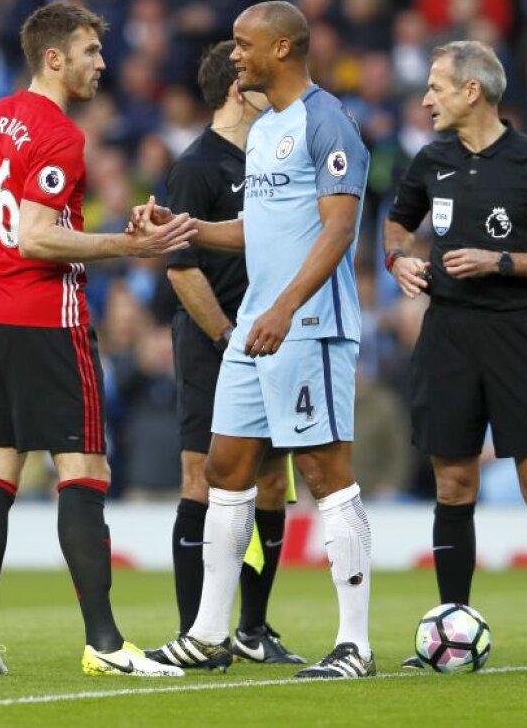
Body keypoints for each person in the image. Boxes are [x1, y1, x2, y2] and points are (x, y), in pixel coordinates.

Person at [0, 1, 196, 678]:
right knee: (82, 469)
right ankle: (105, 642)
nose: (101, 63)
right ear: (54, 58)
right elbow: (35, 234)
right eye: (89, 52)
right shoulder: (58, 134)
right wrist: (126, 245)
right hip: (46, 319)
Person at [140, 1, 376, 679]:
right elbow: (254, 229)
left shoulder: (327, 122)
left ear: (282, 47)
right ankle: (210, 632)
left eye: (244, 45)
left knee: (328, 476)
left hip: (306, 326)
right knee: (224, 469)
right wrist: (179, 225)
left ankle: (353, 644)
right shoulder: (268, 127)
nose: (234, 56)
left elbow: (337, 230)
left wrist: (284, 306)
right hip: (257, 327)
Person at [384, 40, 527, 670]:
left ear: (472, 91)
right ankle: (449, 628)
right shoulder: (430, 161)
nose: (426, 98)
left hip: (519, 333)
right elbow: (397, 224)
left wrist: (502, 261)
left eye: (436, 86)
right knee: (453, 484)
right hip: (449, 335)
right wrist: (398, 258)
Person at [159, 40, 303, 665]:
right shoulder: (198, 166)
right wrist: (225, 338)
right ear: (237, 89)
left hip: (269, 340)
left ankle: (252, 627)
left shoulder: (274, 160)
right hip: (213, 340)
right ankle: (199, 631)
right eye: (260, 82)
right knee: (204, 477)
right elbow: (181, 268)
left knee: (271, 483)